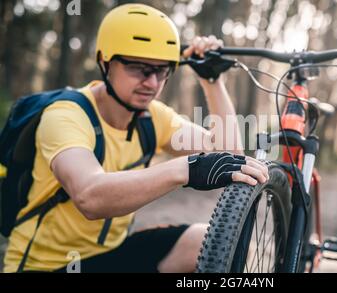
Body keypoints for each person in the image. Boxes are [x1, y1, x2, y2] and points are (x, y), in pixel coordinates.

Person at [3, 3, 268, 273]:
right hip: (45, 266)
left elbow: (229, 157)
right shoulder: (66, 115)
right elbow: (89, 197)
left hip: (112, 255)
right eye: (138, 68)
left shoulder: (152, 117)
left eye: (162, 70)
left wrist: (212, 82)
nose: (152, 83)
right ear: (105, 62)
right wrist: (185, 169)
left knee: (210, 241)